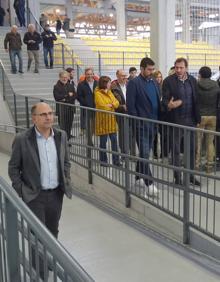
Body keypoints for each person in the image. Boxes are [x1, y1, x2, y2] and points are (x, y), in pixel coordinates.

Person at [8, 102, 72, 279]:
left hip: (56, 194)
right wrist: (21, 190)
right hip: (34, 195)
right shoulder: (22, 139)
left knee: (53, 230)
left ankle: (49, 262)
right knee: (37, 234)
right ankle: (40, 272)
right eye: (43, 114)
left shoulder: (61, 135)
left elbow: (66, 161)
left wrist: (66, 179)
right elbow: (13, 168)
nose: (48, 117)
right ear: (34, 118)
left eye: (50, 113)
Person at [162, 57, 201, 186]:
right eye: (177, 67)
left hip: (191, 121)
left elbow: (196, 100)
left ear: (186, 68)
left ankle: (190, 176)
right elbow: (165, 100)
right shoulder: (168, 81)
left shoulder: (193, 81)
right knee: (176, 151)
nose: (178, 70)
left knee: (191, 150)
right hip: (176, 121)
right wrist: (169, 105)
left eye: (181, 68)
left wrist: (198, 118)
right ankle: (177, 177)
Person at [126, 57, 160, 197]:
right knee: (145, 153)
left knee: (145, 153)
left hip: (154, 124)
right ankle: (149, 183)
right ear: (142, 69)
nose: (151, 71)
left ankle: (138, 177)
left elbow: (158, 100)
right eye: (149, 69)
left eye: (153, 69)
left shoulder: (154, 82)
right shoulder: (134, 83)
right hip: (141, 125)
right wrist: (137, 123)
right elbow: (131, 106)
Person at [196, 66, 220, 172]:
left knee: (198, 141)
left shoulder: (196, 84)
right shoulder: (216, 85)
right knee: (210, 142)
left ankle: (196, 165)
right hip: (213, 116)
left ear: (200, 74)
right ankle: (209, 166)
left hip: (200, 116)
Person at [95, 76, 121, 167]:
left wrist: (111, 105)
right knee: (103, 143)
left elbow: (117, 103)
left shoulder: (110, 92)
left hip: (111, 121)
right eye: (109, 83)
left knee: (114, 142)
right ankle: (103, 161)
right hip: (103, 121)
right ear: (104, 83)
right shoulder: (97, 93)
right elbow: (102, 106)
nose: (111, 84)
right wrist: (111, 105)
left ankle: (116, 161)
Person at [53, 71, 76, 140]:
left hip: (70, 109)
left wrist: (65, 99)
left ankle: (68, 139)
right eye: (63, 77)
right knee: (63, 126)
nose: (64, 79)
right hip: (61, 109)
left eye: (66, 77)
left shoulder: (71, 86)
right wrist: (67, 95)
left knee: (69, 125)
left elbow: (74, 96)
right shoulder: (56, 86)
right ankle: (63, 140)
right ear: (60, 77)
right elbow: (57, 97)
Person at [111, 69, 128, 156]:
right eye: (122, 76)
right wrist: (123, 106)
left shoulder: (129, 84)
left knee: (130, 134)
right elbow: (117, 101)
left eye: (125, 75)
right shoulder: (114, 87)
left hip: (130, 112)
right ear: (117, 76)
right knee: (123, 133)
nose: (125, 77)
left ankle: (130, 152)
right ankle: (124, 153)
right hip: (121, 112)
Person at [77, 67, 98, 135]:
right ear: (85, 75)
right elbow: (79, 96)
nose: (89, 76)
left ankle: (94, 133)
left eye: (91, 74)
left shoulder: (98, 83)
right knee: (88, 124)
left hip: (96, 106)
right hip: (86, 107)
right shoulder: (81, 84)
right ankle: (89, 140)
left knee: (95, 123)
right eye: (88, 74)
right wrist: (86, 103)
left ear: (93, 74)